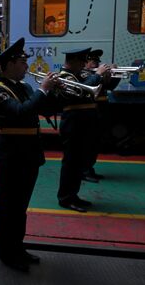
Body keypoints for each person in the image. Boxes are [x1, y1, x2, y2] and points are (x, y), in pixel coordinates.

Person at [0, 37, 59, 272]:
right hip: (12, 155)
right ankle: (7, 253)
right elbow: (20, 112)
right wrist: (42, 90)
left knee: (21, 207)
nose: (26, 66)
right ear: (8, 64)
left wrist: (52, 93)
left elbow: (44, 110)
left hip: (29, 153)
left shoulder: (26, 87)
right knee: (9, 206)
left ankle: (18, 247)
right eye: (21, 61)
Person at [57, 47, 110, 212]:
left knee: (78, 163)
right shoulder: (64, 76)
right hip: (74, 124)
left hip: (84, 123)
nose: (83, 65)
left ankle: (73, 195)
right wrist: (98, 75)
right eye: (81, 61)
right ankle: (66, 198)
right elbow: (82, 90)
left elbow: (95, 86)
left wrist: (105, 76)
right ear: (72, 61)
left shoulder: (78, 74)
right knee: (71, 164)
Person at [82, 49, 119, 182]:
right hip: (92, 109)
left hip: (101, 108)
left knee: (97, 142)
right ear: (86, 63)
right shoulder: (84, 74)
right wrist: (99, 75)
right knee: (89, 142)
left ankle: (89, 168)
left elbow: (110, 86)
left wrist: (115, 74)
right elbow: (88, 87)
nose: (96, 64)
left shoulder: (95, 74)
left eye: (97, 62)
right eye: (93, 62)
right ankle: (84, 170)